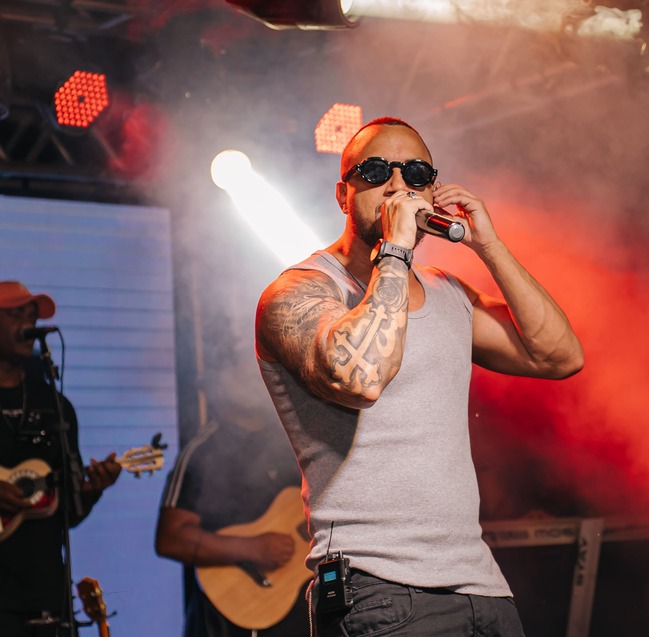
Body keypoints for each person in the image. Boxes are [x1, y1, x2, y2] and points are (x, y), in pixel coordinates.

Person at [254, 116, 584, 636]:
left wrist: (489, 246)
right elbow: (362, 378)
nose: (397, 185)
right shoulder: (298, 292)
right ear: (343, 194)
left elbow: (560, 357)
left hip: (480, 585)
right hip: (377, 589)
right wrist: (396, 249)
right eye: (376, 170)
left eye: (416, 173)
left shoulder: (449, 293)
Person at [0, 281, 122, 637]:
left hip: (46, 596)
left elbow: (69, 513)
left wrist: (93, 489)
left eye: (32, 315)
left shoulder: (55, 406)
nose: (28, 323)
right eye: (15, 314)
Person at [155, 367, 309, 637]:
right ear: (217, 383)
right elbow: (170, 539)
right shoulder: (202, 450)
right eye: (235, 369)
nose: (248, 376)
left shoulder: (291, 440)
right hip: (231, 619)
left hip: (299, 613)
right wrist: (252, 549)